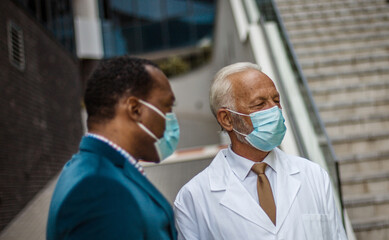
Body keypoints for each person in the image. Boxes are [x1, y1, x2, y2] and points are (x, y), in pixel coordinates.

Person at [174, 62, 347, 240]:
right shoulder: (193, 199)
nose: (274, 110)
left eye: (276, 100)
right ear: (226, 119)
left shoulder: (313, 175)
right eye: (259, 104)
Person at [47, 56, 179, 240]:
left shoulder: (93, 170)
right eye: (167, 106)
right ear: (135, 109)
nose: (170, 118)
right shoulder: (99, 189)